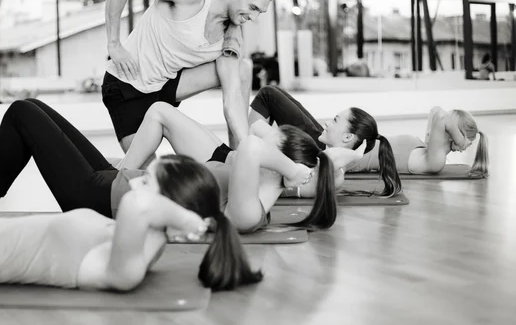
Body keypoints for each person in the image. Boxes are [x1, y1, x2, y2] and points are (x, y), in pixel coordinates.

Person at [0, 99, 363, 234]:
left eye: (272, 148)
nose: (257, 143)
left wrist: (294, 171)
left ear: (280, 166)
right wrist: (300, 165)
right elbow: (249, 152)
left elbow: (253, 150)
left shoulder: (250, 211)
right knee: (35, 109)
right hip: (117, 182)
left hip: (103, 197)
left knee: (21, 113)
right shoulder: (248, 183)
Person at [0, 155, 263, 291]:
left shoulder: (126, 268)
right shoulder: (133, 240)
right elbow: (141, 206)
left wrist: (186, 219)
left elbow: (137, 205)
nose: (135, 181)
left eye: (147, 180)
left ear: (167, 207)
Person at [103, 0, 275, 161]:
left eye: (260, 12)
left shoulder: (231, 38)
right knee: (147, 173)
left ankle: (237, 158)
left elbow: (233, 98)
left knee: (242, 68)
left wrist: (248, 151)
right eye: (253, 8)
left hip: (164, 85)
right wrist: (114, 44)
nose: (254, 18)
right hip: (127, 85)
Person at [116, 102, 368, 233]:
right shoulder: (306, 160)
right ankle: (121, 174)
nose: (327, 122)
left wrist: (352, 155)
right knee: (159, 111)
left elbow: (253, 140)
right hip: (224, 163)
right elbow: (256, 132)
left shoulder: (315, 173)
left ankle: (120, 174)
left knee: (159, 112)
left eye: (336, 120)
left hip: (222, 166)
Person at [249, 85, 488, 179]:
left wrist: (462, 140)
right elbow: (437, 111)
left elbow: (441, 117)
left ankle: (243, 150)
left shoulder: (434, 161)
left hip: (331, 150)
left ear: (450, 134)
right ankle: (247, 151)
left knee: (269, 95)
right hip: (334, 143)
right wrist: (460, 139)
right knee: (274, 95)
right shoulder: (427, 150)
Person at [249, 85, 402, 196]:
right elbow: (256, 127)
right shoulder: (323, 157)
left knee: (268, 94)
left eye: (335, 121)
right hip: (305, 152)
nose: (327, 123)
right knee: (271, 93)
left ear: (347, 137)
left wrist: (355, 156)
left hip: (254, 175)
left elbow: (330, 160)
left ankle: (241, 153)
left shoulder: (336, 175)